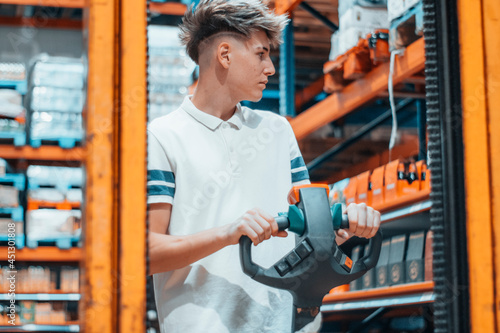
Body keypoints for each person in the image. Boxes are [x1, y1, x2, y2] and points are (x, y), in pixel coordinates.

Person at [147, 1, 381, 332]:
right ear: (225, 55)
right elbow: (148, 252)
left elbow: (312, 232)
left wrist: (345, 224)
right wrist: (228, 233)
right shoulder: (163, 136)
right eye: (261, 54)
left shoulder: (276, 130)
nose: (270, 68)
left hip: (285, 325)